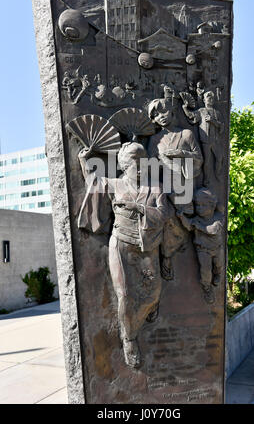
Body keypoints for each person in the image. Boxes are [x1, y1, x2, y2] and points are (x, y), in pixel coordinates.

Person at [77, 142, 173, 368]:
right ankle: (129, 339)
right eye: (134, 163)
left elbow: (164, 214)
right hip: (121, 246)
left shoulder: (156, 188)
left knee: (154, 292)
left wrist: (140, 209)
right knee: (126, 295)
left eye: (143, 162)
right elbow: (93, 182)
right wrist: (84, 161)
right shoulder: (115, 185)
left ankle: (148, 306)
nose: (139, 168)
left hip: (148, 247)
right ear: (123, 165)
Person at [147, 97, 203, 280]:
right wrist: (160, 165)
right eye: (156, 115)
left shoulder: (186, 134)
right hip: (166, 186)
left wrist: (181, 154)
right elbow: (150, 168)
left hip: (185, 185)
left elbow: (199, 160)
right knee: (168, 222)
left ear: (171, 111)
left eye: (163, 111)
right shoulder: (155, 140)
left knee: (184, 222)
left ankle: (181, 252)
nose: (161, 117)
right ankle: (167, 256)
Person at [177, 187, 224, 304]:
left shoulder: (218, 218)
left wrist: (199, 227)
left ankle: (217, 274)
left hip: (217, 249)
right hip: (203, 250)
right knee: (205, 271)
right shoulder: (196, 219)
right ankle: (207, 288)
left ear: (212, 206)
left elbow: (213, 230)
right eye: (198, 205)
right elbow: (188, 226)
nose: (200, 208)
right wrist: (182, 217)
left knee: (219, 265)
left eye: (203, 205)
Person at [181, 90, 224, 187]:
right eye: (208, 98)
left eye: (212, 98)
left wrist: (213, 121)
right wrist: (184, 108)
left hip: (216, 141)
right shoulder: (201, 111)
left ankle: (218, 175)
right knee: (207, 162)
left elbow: (222, 127)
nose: (211, 99)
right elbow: (191, 116)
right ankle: (206, 180)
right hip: (206, 141)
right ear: (204, 100)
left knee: (220, 158)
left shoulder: (217, 113)